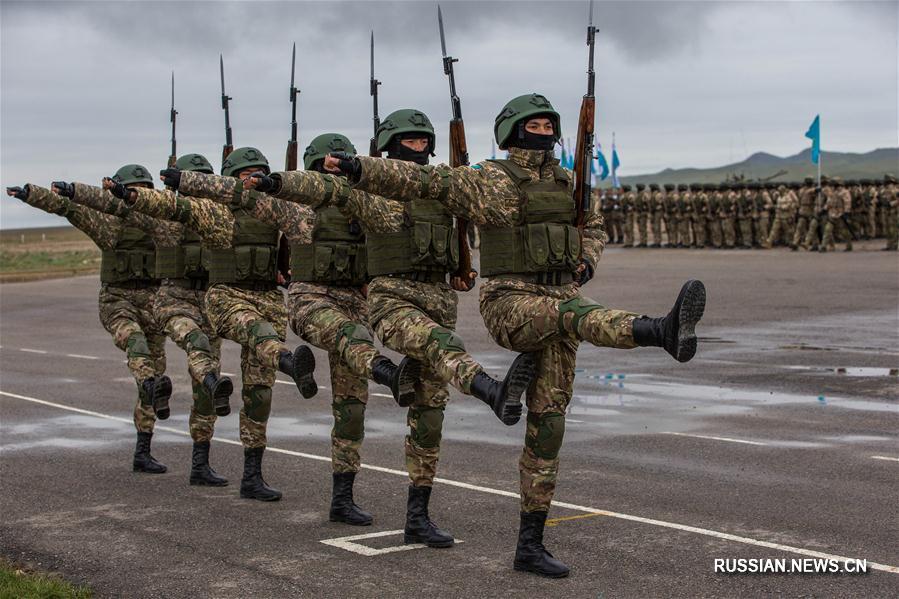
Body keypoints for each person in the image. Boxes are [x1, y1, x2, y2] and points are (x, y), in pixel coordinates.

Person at [324, 93, 706, 578]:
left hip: (560, 297)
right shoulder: (491, 180)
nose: (544, 130)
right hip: (512, 302)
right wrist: (360, 168)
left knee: (549, 425)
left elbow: (592, 226)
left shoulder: (569, 182)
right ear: (513, 130)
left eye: (550, 124)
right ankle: (656, 330)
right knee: (574, 314)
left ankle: (531, 545)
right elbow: (423, 178)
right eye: (535, 123)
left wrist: (587, 259)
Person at [218, 110, 539, 548]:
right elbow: (313, 188)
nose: (418, 146)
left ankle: (376, 506)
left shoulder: (403, 194)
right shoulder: (320, 203)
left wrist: (462, 264)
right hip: (321, 300)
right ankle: (413, 379)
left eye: (422, 140)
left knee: (367, 409)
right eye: (407, 141)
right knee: (366, 353)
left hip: (367, 302)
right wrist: (274, 181)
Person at [114, 147, 318, 501]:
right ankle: (198, 460)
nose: (251, 180)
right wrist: (131, 194)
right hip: (215, 300)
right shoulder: (214, 211)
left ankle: (251, 476)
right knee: (207, 373)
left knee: (259, 391)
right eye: (244, 175)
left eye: (258, 173)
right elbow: (171, 206)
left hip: (266, 297)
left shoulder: (272, 211)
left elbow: (305, 223)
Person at [8, 167, 172, 474]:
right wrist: (32, 194)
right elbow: (69, 208)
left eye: (145, 189)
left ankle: (143, 450)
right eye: (134, 188)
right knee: (135, 345)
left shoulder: (160, 224)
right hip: (117, 302)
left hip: (153, 304)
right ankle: (149, 387)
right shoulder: (107, 223)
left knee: (153, 376)